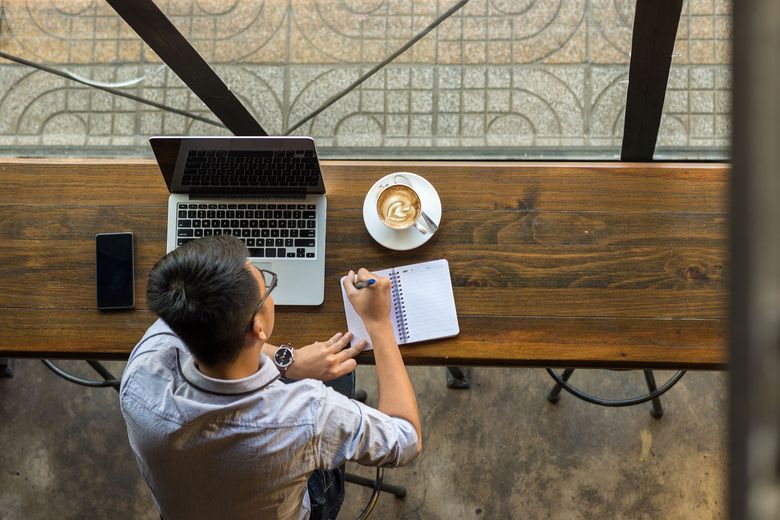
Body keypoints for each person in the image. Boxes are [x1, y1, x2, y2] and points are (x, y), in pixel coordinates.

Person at [119, 235, 422, 520]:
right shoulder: (308, 413)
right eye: (267, 286)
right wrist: (378, 323)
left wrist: (287, 361)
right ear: (258, 328)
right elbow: (407, 440)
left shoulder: (141, 372)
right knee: (341, 380)